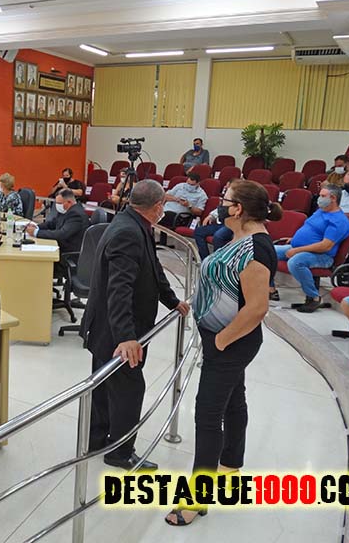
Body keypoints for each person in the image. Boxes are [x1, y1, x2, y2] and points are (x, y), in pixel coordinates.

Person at [165, 180, 280, 526]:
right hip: (223, 339)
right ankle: (231, 463)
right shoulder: (237, 237)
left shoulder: (257, 249)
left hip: (231, 343)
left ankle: (196, 499)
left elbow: (257, 308)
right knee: (233, 400)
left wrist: (221, 341)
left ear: (238, 208)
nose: (220, 203)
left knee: (207, 414)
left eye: (225, 199)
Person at [81, 180, 190, 470]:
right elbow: (120, 289)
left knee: (105, 386)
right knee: (129, 390)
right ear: (157, 206)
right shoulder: (129, 232)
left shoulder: (133, 223)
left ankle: (97, 439)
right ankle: (120, 452)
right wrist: (126, 338)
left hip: (107, 326)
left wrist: (171, 300)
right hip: (115, 330)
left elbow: (152, 268)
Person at [269, 184, 349, 312]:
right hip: (300, 247)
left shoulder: (339, 221)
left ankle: (314, 297)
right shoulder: (321, 211)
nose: (319, 198)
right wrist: (295, 239)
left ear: (333, 198)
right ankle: (270, 289)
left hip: (322, 256)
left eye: (323, 196)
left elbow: (325, 246)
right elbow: (312, 230)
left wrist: (297, 250)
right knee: (267, 252)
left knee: (296, 262)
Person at [25, 189, 88, 255]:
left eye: (59, 203)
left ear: (69, 202)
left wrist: (36, 232)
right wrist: (37, 227)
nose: (57, 205)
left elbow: (62, 234)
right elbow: (52, 223)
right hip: (61, 246)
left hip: (68, 253)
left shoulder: (76, 214)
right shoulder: (66, 210)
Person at [192, 178, 237, 260]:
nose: (225, 187)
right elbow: (219, 209)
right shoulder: (225, 196)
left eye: (228, 186)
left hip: (232, 224)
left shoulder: (238, 199)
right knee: (199, 231)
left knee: (218, 236)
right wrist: (211, 216)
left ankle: (217, 260)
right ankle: (205, 259)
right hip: (221, 223)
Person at [158, 172, 208, 244]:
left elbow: (199, 212)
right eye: (188, 183)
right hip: (166, 210)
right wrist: (176, 199)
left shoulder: (202, 195)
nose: (188, 186)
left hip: (180, 216)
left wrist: (189, 205)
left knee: (161, 216)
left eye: (192, 185)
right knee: (152, 213)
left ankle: (162, 242)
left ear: (198, 184)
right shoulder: (180, 186)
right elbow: (165, 196)